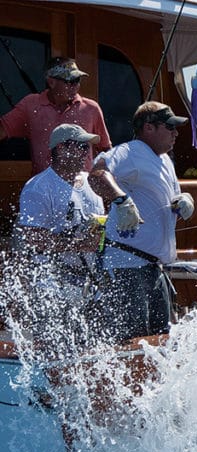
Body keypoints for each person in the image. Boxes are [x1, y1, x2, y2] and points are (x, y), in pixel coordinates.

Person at [12, 124, 132, 356]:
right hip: (53, 286)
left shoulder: (92, 183)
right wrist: (79, 244)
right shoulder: (38, 187)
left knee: (94, 350)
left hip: (91, 284)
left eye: (87, 147)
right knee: (55, 352)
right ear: (60, 148)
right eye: (80, 146)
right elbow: (34, 238)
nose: (86, 152)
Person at [90, 101, 194, 342]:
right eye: (170, 127)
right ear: (149, 128)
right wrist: (120, 200)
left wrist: (183, 201)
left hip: (153, 267)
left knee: (161, 339)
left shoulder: (165, 159)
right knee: (133, 340)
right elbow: (97, 173)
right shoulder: (130, 151)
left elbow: (170, 197)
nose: (176, 133)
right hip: (127, 265)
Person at [0, 57, 112, 174]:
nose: (75, 86)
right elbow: (2, 130)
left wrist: (98, 179)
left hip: (81, 187)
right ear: (51, 82)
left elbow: (106, 150)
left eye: (77, 80)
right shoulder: (30, 105)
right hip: (44, 187)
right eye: (70, 81)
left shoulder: (91, 108)